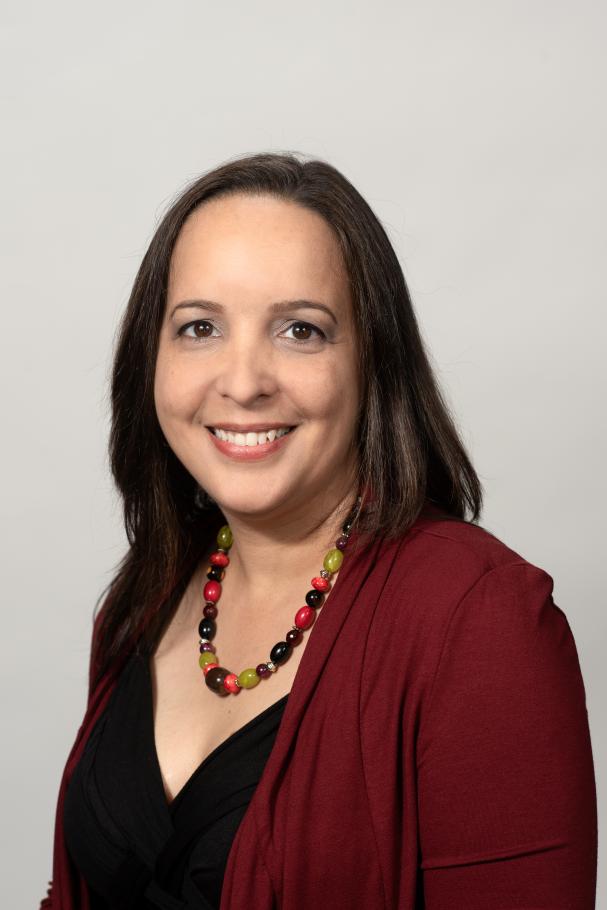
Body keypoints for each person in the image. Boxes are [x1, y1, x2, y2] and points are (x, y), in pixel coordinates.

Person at [40, 152, 597, 909]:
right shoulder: (148, 594)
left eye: (300, 330)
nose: (242, 381)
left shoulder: (479, 621)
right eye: (199, 327)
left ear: (373, 362)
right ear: (151, 357)